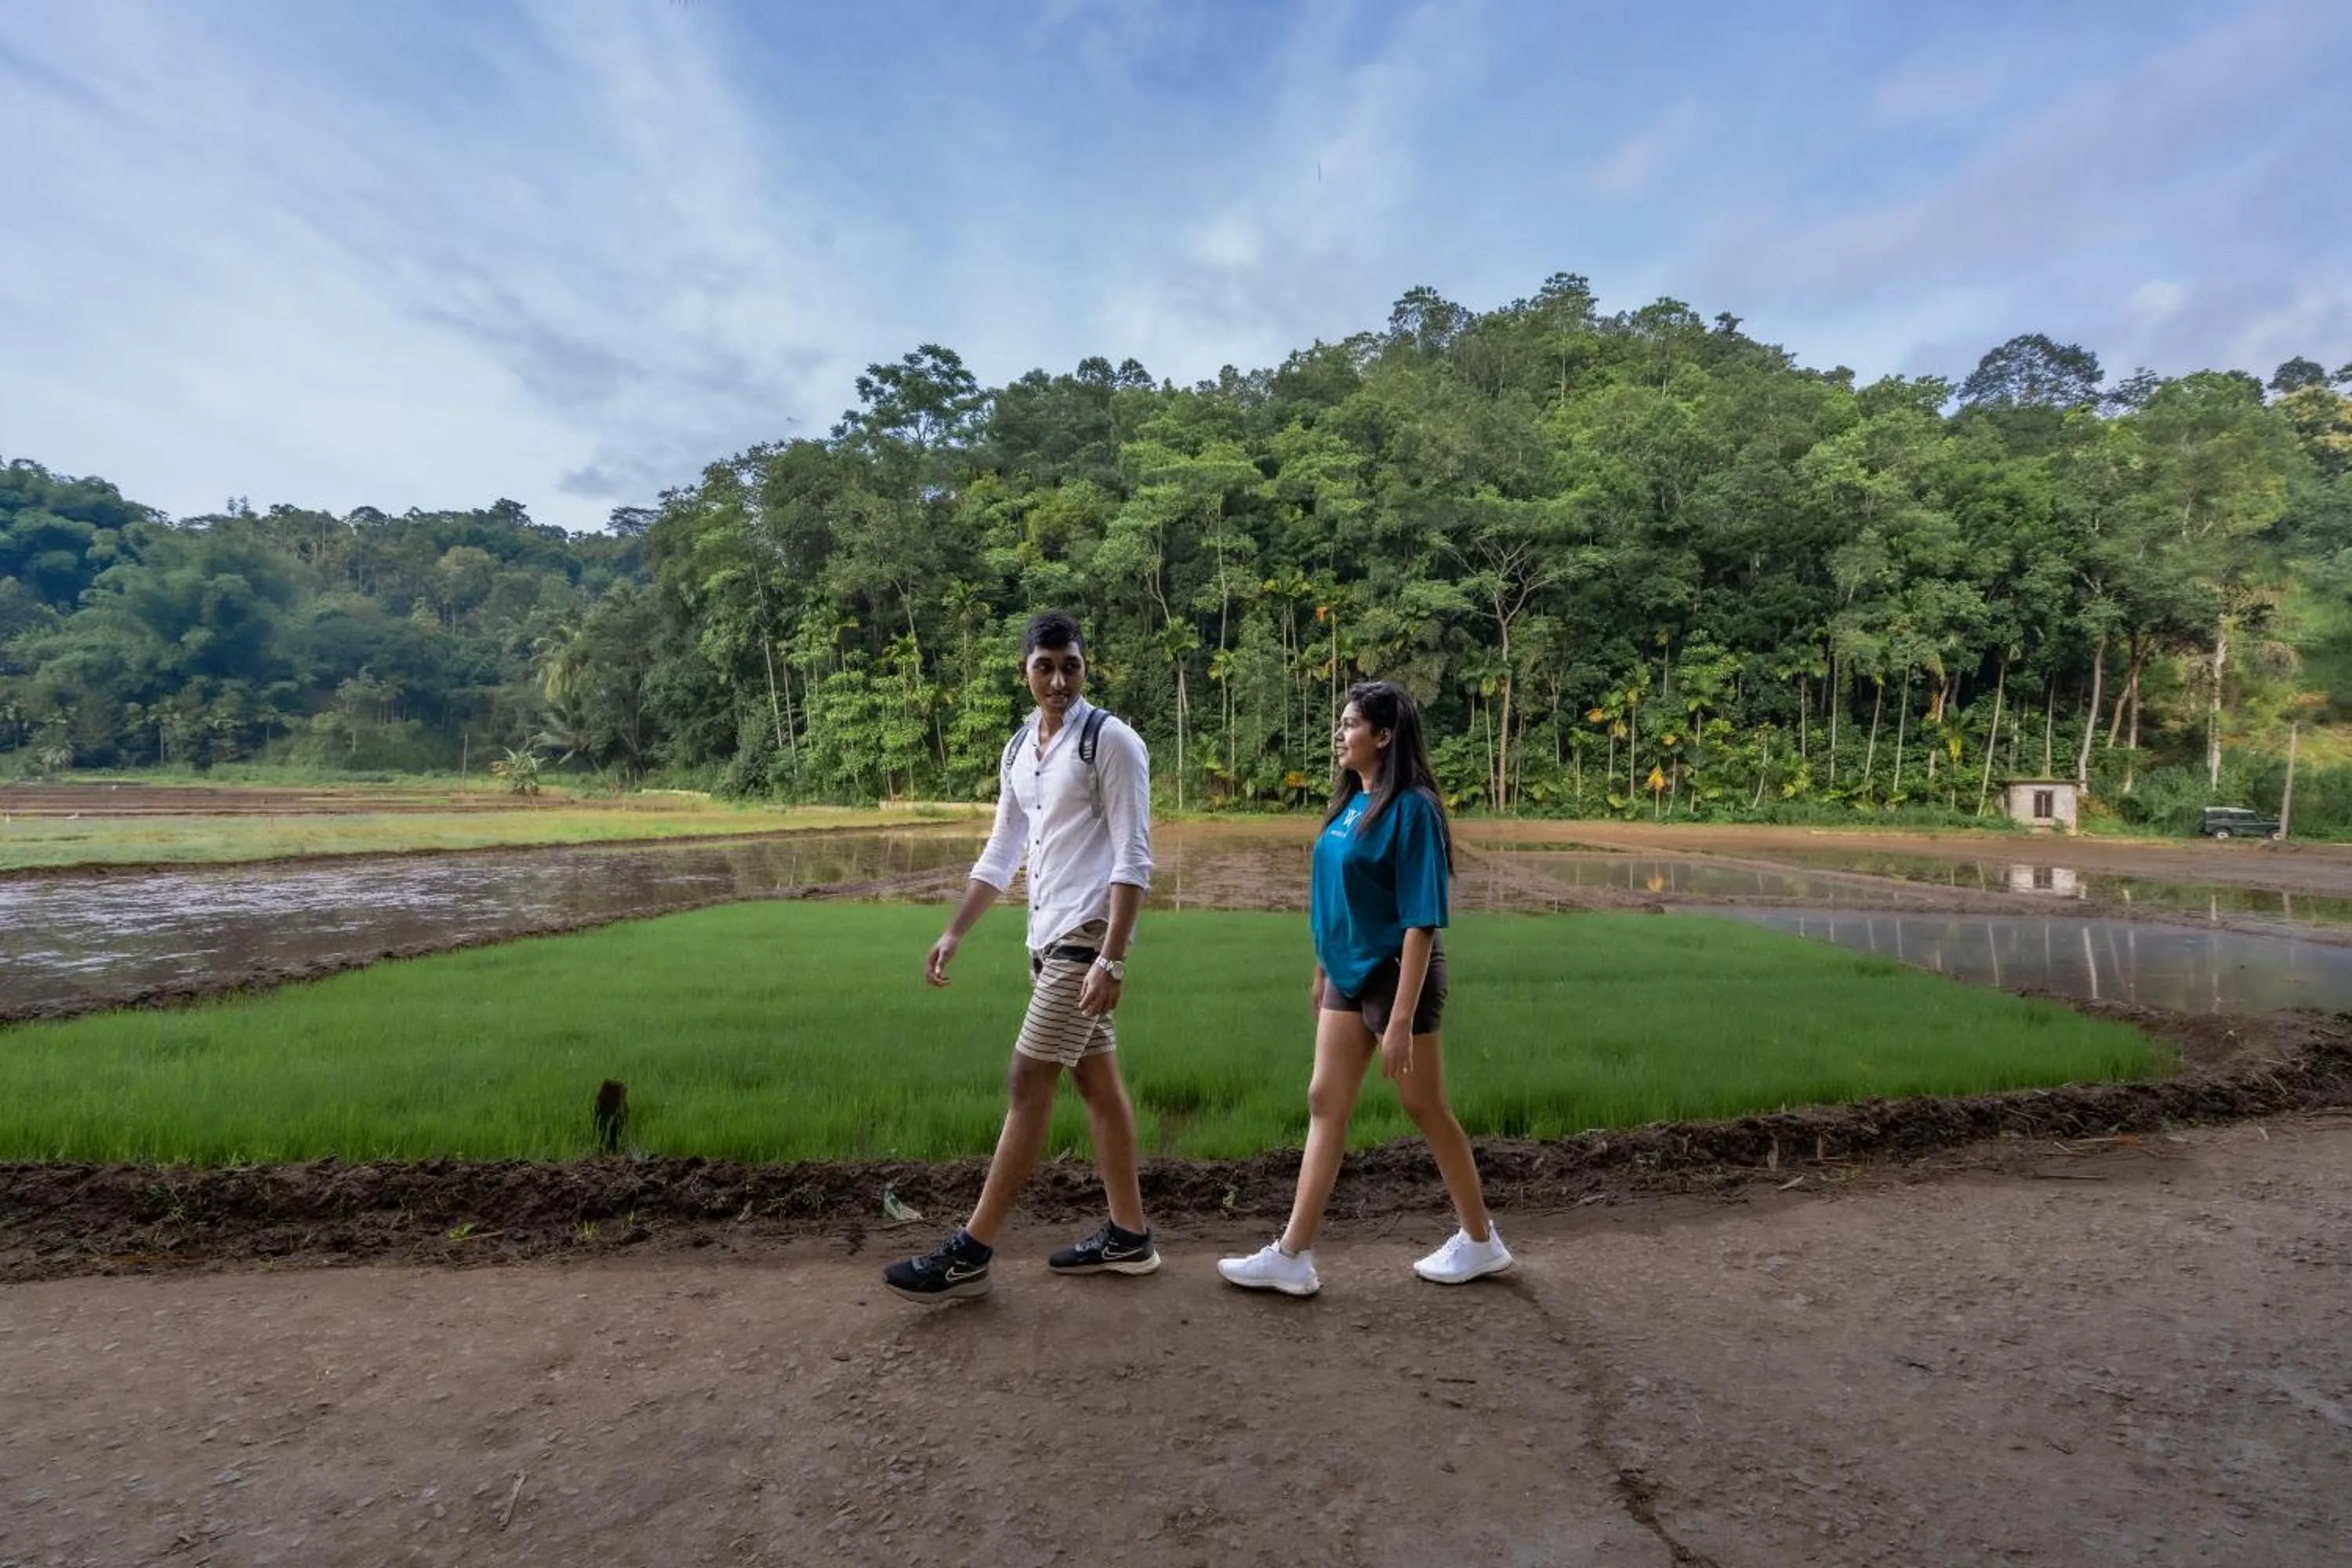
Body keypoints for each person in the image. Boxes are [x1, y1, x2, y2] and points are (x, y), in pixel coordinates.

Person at [884, 611, 1158, 1302]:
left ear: (1086, 667)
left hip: (1086, 940)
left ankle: (971, 1251)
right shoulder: (1018, 751)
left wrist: (1113, 958)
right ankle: (1130, 1237)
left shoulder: (1111, 743)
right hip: (1045, 941)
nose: (1059, 679)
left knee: (1026, 1080)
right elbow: (1002, 852)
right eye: (1046, 667)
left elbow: (1133, 856)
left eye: (1071, 665)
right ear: (1025, 671)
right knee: (1097, 1085)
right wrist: (955, 931)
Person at [1218, 680, 1510, 1298]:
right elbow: (1335, 896)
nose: (1340, 735)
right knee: (1325, 1098)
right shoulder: (1354, 802)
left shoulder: (1413, 809)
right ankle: (1292, 1255)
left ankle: (1482, 1241)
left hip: (1397, 975)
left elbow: (1421, 917)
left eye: (1351, 724)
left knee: (1424, 1107)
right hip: (1345, 974)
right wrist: (1324, 967)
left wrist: (1400, 1017)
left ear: (1384, 735)